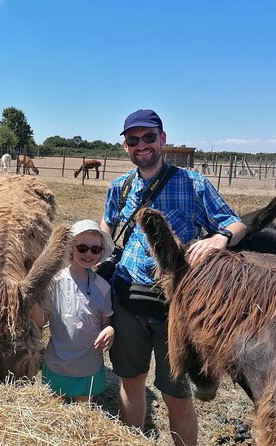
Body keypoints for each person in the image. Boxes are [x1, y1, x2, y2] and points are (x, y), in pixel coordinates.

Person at [100, 109, 247, 446]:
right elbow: (108, 226)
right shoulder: (119, 187)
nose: (142, 146)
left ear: (162, 139)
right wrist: (95, 247)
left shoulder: (194, 183)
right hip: (126, 300)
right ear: (125, 147)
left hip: (175, 308)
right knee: (131, 382)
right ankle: (134, 439)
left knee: (176, 396)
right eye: (133, 140)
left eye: (149, 137)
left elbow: (236, 223)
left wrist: (219, 238)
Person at [33, 220, 116, 403]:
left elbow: (106, 321)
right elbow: (41, 320)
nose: (88, 254)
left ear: (101, 253)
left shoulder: (103, 288)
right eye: (82, 248)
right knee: (54, 405)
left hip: (87, 364)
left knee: (83, 406)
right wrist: (32, 300)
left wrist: (109, 330)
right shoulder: (55, 282)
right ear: (71, 248)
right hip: (57, 362)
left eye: (95, 250)